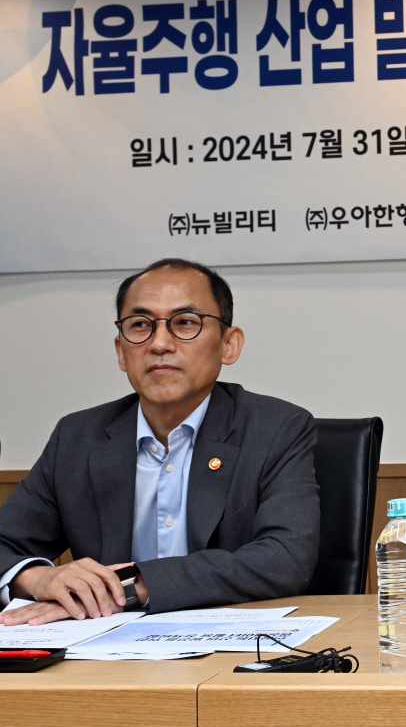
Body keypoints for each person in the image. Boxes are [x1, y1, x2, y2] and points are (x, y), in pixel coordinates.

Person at [0, 258, 319, 625]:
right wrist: (39, 578)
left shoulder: (275, 428)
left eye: (185, 322)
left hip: (228, 639)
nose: (160, 343)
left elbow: (285, 558)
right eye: (140, 325)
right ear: (121, 351)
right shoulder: (78, 437)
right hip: (103, 647)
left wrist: (131, 588)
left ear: (229, 345)